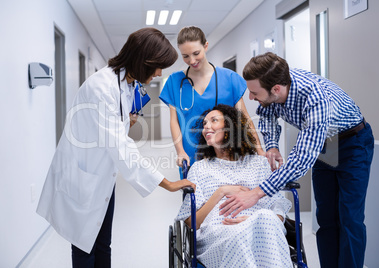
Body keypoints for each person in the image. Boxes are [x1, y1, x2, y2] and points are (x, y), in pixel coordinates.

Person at [36, 28, 195, 267]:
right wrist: (168, 183)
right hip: (83, 179)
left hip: (102, 179)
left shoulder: (127, 84)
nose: (160, 73)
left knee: (102, 245)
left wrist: (124, 121)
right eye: (158, 66)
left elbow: (113, 129)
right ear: (144, 61)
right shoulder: (103, 87)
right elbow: (122, 148)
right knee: (84, 247)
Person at [219, 52, 375, 268]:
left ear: (276, 89)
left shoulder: (316, 98)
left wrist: (256, 193)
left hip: (352, 142)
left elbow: (301, 160)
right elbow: (266, 114)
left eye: (254, 93)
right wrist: (272, 144)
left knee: (350, 218)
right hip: (326, 146)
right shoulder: (275, 84)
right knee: (327, 218)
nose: (251, 98)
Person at [176, 104, 293, 267]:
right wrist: (221, 192)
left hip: (261, 227)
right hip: (218, 233)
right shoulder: (199, 168)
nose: (206, 127)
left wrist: (253, 221)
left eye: (213, 121)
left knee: (266, 217)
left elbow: (277, 205)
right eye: (204, 124)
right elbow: (191, 222)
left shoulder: (259, 164)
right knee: (241, 233)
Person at [159, 26, 264, 173]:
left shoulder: (229, 78)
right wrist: (180, 151)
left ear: (205, 46)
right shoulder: (174, 81)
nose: (192, 60)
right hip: (191, 156)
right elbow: (174, 121)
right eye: (186, 56)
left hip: (227, 155)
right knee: (195, 194)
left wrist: (259, 151)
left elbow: (244, 118)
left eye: (196, 53)